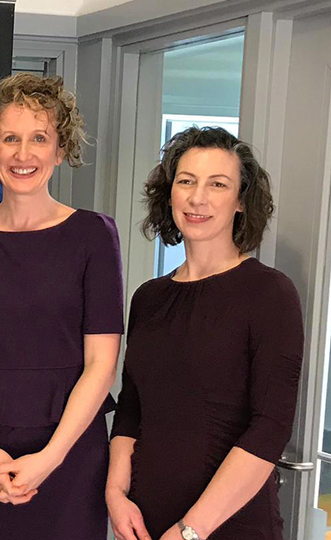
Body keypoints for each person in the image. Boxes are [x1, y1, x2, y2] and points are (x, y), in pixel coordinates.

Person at [0, 73, 124, 538]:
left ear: (60, 151)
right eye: (10, 138)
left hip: (69, 455)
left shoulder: (94, 236)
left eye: (39, 138)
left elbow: (102, 363)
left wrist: (50, 459)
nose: (23, 154)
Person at [107, 127, 303, 540]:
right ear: (170, 193)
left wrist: (190, 530)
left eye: (218, 184)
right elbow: (131, 409)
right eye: (186, 181)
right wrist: (115, 493)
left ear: (240, 202)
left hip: (229, 526)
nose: (198, 198)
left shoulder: (270, 293)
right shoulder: (150, 297)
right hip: (145, 521)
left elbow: (270, 427)